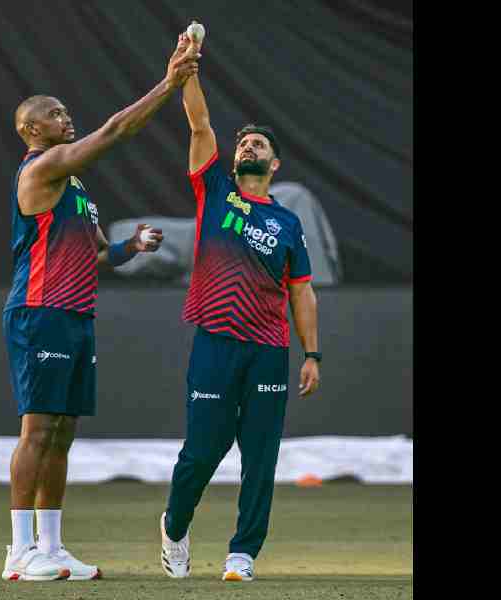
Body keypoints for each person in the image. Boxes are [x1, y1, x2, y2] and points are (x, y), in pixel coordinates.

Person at [0, 38, 200, 582]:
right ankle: (19, 552)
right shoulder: (41, 169)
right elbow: (115, 131)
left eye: (66, 111)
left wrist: (133, 246)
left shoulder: (75, 187)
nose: (66, 118)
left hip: (75, 316)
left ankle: (52, 547)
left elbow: (99, 255)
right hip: (38, 311)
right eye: (54, 113)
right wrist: (170, 84)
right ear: (31, 128)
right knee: (37, 429)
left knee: (63, 432)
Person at [159, 27, 322, 583]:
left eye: (259, 145)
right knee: (202, 452)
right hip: (215, 343)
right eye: (244, 143)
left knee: (260, 455)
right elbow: (199, 124)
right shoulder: (214, 191)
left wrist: (312, 354)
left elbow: (301, 289)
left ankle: (242, 553)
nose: (249, 146)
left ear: (275, 164)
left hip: (269, 350)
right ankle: (175, 526)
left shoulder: (288, 222)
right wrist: (189, 67)